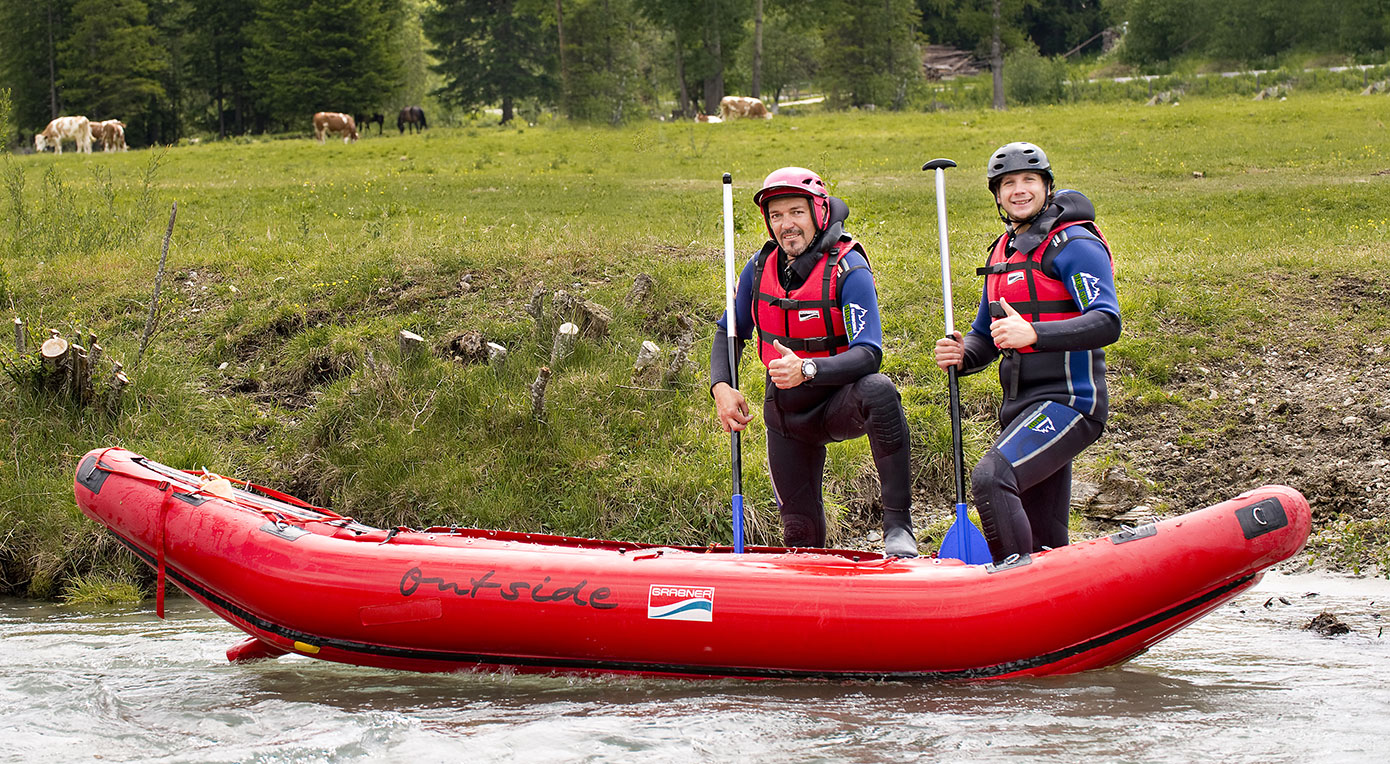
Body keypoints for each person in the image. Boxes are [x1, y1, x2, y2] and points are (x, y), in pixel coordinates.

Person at [711, 167, 918, 558]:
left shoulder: (848, 268)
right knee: (800, 538)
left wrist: (808, 369)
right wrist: (721, 387)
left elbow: (869, 352)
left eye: (795, 213)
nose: (786, 225)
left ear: (818, 213)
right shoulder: (759, 269)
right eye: (776, 216)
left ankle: (899, 528)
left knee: (881, 391)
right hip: (788, 415)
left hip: (841, 401)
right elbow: (729, 333)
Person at [933, 142, 1121, 563]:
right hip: (1020, 408)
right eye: (1008, 183)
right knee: (1045, 534)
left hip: (1070, 402)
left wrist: (1033, 332)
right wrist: (963, 354)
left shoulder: (1074, 244)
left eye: (1029, 180)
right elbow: (987, 335)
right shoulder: (1003, 253)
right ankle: (1059, 607)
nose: (1019, 190)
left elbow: (1107, 320)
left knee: (991, 478)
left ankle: (1008, 587)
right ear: (997, 195)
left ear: (1047, 187)